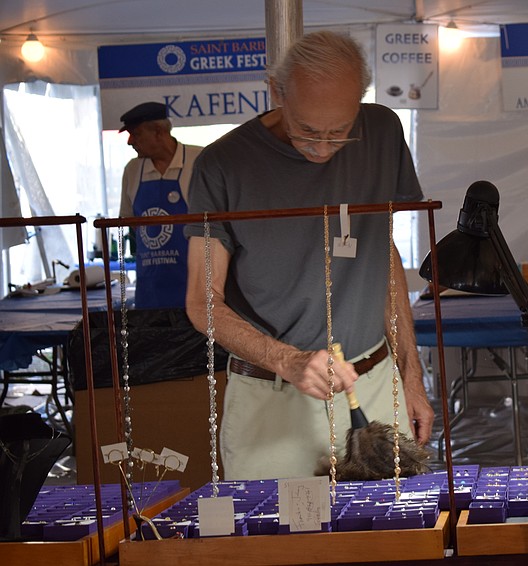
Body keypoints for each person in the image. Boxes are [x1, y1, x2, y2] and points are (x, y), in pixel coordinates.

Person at [183, 31, 434, 481]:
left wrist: (411, 378)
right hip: (272, 398)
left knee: (389, 523)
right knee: (275, 526)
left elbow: (382, 253)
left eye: (339, 133)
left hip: (375, 382)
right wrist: (289, 361)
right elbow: (203, 303)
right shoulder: (222, 165)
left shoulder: (382, 131)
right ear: (276, 92)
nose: (322, 148)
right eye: (308, 132)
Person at [118, 101, 202, 309]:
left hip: (197, 287)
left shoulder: (199, 160)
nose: (130, 142)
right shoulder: (132, 170)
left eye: (136, 134)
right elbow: (129, 221)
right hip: (150, 289)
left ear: (158, 131)